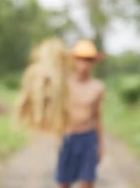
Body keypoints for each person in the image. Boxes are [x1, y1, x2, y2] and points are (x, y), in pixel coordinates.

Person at [56, 39, 105, 188]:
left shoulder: (97, 87)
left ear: (93, 63)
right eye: (80, 59)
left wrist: (101, 145)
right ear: (73, 61)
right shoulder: (63, 84)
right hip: (69, 137)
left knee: (87, 182)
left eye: (88, 60)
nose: (84, 64)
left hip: (88, 139)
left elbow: (97, 117)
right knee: (64, 182)